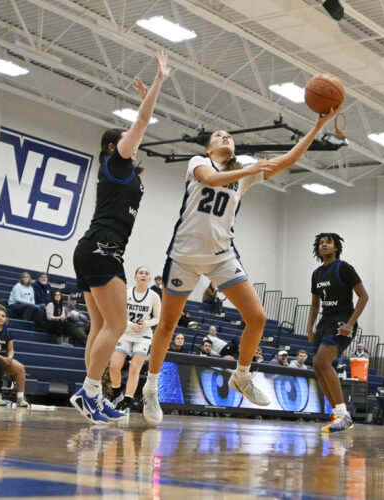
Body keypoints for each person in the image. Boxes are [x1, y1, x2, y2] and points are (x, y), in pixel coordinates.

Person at [141, 105, 340, 427]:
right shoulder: (199, 162)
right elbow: (211, 179)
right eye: (218, 135)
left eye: (229, 135)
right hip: (184, 256)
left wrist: (317, 126)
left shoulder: (244, 173)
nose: (225, 136)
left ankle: (242, 376)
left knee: (257, 318)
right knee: (166, 325)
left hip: (222, 256)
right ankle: (151, 389)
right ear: (208, 147)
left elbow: (288, 159)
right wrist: (250, 170)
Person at [70, 51, 169, 425]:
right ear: (114, 146)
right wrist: (157, 83)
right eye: (126, 139)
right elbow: (142, 121)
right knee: (116, 326)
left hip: (91, 247)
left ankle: (94, 395)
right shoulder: (116, 162)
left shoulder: (120, 171)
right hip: (102, 248)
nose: (134, 141)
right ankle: (89, 391)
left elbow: (139, 125)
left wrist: (144, 100)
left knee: (100, 327)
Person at [306, 232, 369, 433]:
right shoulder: (316, 274)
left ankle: (344, 415)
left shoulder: (344, 268)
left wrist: (350, 324)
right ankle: (337, 415)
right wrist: (309, 328)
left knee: (323, 361)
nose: (324, 245)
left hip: (343, 320)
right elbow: (315, 305)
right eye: (321, 243)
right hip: (325, 321)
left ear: (336, 247)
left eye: (328, 242)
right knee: (317, 365)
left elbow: (363, 296)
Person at [107, 266, 161, 413]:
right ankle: (116, 392)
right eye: (140, 273)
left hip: (143, 335)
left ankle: (127, 400)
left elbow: (157, 318)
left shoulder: (154, 296)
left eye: (146, 273)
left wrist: (146, 324)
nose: (143, 275)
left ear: (149, 279)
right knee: (114, 366)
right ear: (135, 276)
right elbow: (118, 313)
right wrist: (130, 324)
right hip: (125, 332)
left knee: (134, 368)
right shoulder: (127, 292)